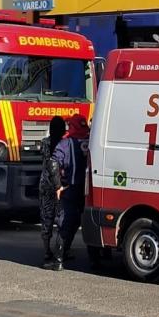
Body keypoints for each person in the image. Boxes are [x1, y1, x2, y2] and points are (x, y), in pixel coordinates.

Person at [45, 115, 90, 271]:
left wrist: (58, 186)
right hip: (88, 190)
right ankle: (94, 259)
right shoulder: (91, 140)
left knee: (66, 223)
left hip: (71, 188)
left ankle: (58, 260)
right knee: (82, 221)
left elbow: (53, 164)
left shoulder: (66, 143)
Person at [38, 116, 66, 266]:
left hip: (45, 184)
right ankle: (61, 251)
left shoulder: (44, 143)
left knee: (46, 218)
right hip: (58, 185)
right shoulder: (64, 144)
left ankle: (46, 251)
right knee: (60, 218)